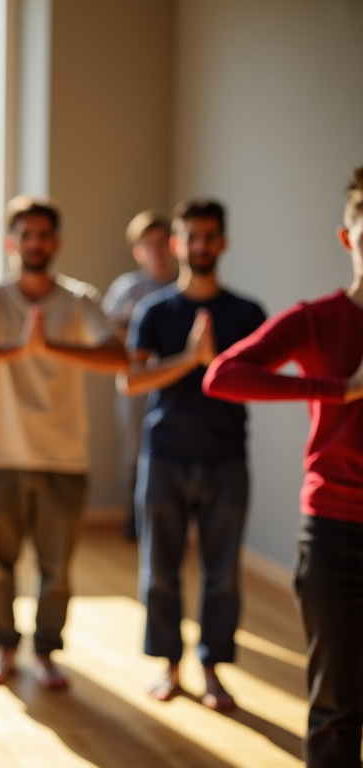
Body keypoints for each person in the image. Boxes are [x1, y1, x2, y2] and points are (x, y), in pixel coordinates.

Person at [0, 195, 129, 690]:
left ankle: (45, 653)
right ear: (11, 242)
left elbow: (117, 357)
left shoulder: (79, 299)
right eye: (27, 234)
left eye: (44, 235)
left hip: (64, 457)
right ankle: (2, 648)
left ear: (55, 243)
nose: (36, 243)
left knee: (56, 568)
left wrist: (50, 347)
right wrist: (17, 348)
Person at [204, 167, 363, 767]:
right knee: (338, 705)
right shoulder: (318, 319)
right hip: (336, 530)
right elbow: (224, 376)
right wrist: (338, 389)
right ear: (348, 239)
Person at [119, 199, 267, 711]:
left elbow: (260, 384)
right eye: (193, 237)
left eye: (211, 237)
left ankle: (213, 669)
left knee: (221, 573)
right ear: (178, 244)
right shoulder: (154, 311)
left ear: (222, 243)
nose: (201, 246)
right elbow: (132, 381)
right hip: (164, 457)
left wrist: (219, 363)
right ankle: (170, 665)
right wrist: (190, 359)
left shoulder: (247, 313)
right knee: (160, 570)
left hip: (227, 458)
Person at [103, 211, 176, 539]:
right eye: (149, 244)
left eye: (162, 242)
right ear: (139, 250)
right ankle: (136, 523)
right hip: (137, 385)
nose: (157, 250)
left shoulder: (182, 286)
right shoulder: (128, 289)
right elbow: (108, 335)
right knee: (136, 454)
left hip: (175, 384)